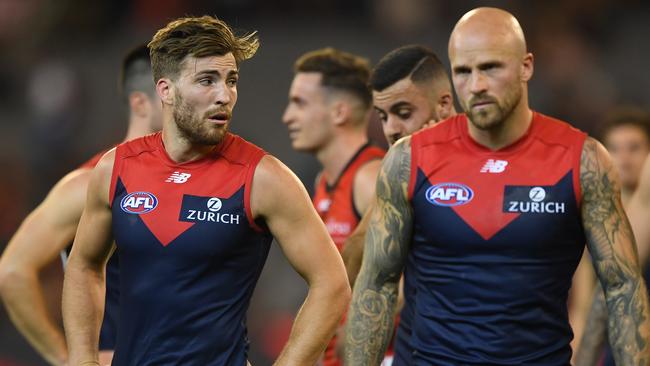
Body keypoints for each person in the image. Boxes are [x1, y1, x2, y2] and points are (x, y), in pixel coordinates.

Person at [345, 7, 650, 366]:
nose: (476, 86)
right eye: (463, 72)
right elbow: (376, 286)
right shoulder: (408, 160)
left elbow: (621, 289)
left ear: (526, 66)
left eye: (490, 68)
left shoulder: (584, 161)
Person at [62, 16, 350, 366]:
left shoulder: (263, 177)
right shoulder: (116, 168)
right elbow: (83, 266)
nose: (224, 95)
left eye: (231, 80)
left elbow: (332, 284)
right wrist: (82, 359)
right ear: (166, 90)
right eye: (207, 80)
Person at [0, 44, 162, 366]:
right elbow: (13, 271)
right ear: (142, 100)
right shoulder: (88, 185)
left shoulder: (196, 182)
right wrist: (67, 358)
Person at [340, 45, 456, 366]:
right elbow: (352, 268)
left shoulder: (488, 163)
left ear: (444, 104)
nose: (390, 129)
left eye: (403, 114)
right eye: (383, 116)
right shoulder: (396, 174)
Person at [282, 47, 383, 366]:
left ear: (339, 112)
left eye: (299, 103)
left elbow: (408, 282)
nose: (287, 116)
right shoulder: (323, 183)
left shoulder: (371, 178)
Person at [571, 106, 650, 363]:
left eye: (634, 147)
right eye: (614, 149)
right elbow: (587, 295)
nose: (624, 158)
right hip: (615, 339)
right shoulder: (592, 216)